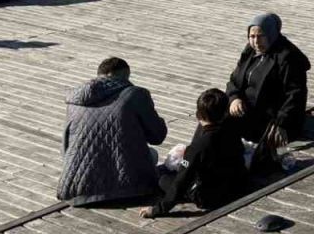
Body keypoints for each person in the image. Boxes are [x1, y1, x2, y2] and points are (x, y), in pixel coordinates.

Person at [57, 57, 168, 206]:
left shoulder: (75, 101)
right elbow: (157, 136)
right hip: (128, 188)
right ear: (125, 74)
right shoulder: (136, 94)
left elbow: (65, 146)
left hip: (78, 188)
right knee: (152, 154)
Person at [141, 89, 247, 218]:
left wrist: (158, 209)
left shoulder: (198, 147)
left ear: (200, 115)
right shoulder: (232, 126)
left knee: (163, 178)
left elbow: (182, 181)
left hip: (209, 196)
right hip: (236, 183)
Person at [226, 13, 311, 151]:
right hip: (246, 108)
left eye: (261, 36)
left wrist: (281, 123)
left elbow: (295, 95)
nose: (256, 41)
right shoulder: (250, 51)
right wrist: (234, 98)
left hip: (272, 116)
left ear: (271, 34)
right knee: (212, 111)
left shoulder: (287, 57)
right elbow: (234, 79)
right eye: (252, 37)